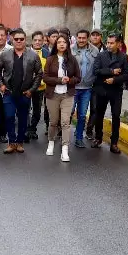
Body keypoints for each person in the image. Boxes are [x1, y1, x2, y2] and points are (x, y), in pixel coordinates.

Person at [0, 28, 41, 154]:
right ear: (12, 40)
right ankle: (11, 143)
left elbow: (39, 74)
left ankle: (19, 143)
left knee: (23, 118)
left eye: (21, 39)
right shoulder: (6, 54)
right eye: (16, 39)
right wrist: (1, 84)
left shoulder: (33, 55)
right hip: (8, 92)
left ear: (25, 40)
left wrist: (32, 90)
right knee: (9, 117)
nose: (19, 41)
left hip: (25, 93)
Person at [91, 33, 128, 153]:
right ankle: (98, 138)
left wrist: (114, 79)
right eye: (108, 42)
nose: (109, 45)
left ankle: (114, 143)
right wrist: (111, 71)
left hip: (116, 91)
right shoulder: (101, 55)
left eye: (112, 43)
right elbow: (95, 71)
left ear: (118, 44)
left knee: (116, 116)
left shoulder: (123, 57)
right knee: (99, 114)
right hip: (101, 89)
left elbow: (127, 75)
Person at [42, 32, 78, 163]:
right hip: (53, 95)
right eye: (59, 42)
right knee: (53, 121)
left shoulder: (72, 59)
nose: (62, 44)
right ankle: (51, 142)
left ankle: (65, 149)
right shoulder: (51, 59)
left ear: (68, 44)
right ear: (55, 45)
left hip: (67, 95)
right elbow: (45, 77)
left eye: (64, 42)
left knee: (65, 122)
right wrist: (59, 80)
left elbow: (78, 78)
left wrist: (69, 80)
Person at [72, 29, 97, 148]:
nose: (81, 40)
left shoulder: (94, 50)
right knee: (69, 112)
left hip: (87, 88)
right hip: (73, 87)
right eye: (79, 38)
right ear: (76, 38)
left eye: (84, 38)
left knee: (82, 115)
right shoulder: (70, 49)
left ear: (87, 38)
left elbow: (97, 67)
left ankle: (79, 138)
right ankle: (64, 136)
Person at [28, 31, 47, 141]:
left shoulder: (46, 53)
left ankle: (32, 129)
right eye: (35, 40)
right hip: (27, 87)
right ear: (32, 41)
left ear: (43, 41)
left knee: (36, 110)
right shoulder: (26, 52)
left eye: (40, 40)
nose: (37, 42)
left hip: (40, 88)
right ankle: (25, 130)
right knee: (25, 110)